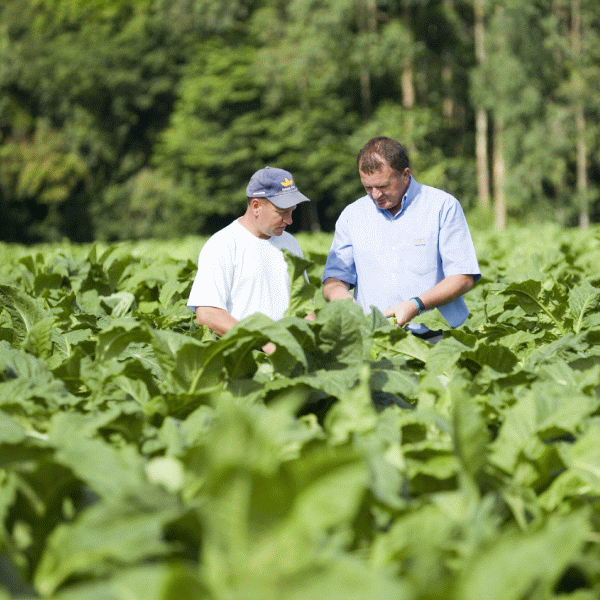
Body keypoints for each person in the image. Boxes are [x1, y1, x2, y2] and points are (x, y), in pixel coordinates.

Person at [322, 136, 480, 340]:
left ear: (405, 174)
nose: (375, 195)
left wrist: (417, 305)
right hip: (375, 340)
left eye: (383, 186)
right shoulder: (352, 216)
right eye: (368, 187)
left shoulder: (442, 206)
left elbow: (463, 277)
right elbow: (334, 280)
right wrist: (344, 300)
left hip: (438, 338)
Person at [187, 166, 312, 353]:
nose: (290, 220)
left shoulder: (290, 243)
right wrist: (265, 343)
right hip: (244, 360)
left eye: (292, 211)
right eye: (282, 212)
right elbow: (207, 314)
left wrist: (311, 343)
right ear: (256, 206)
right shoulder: (222, 244)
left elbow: (304, 306)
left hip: (291, 355)